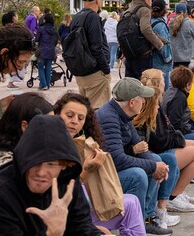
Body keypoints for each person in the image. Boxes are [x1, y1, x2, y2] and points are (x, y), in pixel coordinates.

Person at [0, 114, 102, 236]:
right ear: (23, 160)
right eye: (34, 163)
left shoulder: (67, 180)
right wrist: (52, 233)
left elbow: (82, 226)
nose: (41, 172)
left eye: (51, 164)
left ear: (64, 165)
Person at [54, 93, 146, 236]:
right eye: (69, 115)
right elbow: (64, 189)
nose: (74, 122)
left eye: (80, 118)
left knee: (133, 199)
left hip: (81, 202)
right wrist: (88, 169)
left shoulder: (78, 141)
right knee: (137, 179)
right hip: (70, 213)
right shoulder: (55, 144)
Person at [96, 78, 172, 235]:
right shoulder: (109, 118)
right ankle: (134, 226)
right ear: (132, 102)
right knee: (137, 175)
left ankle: (146, 217)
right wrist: (152, 168)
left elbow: (140, 145)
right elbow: (116, 160)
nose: (144, 102)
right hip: (100, 176)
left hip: (111, 169)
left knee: (156, 160)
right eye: (142, 99)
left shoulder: (122, 114)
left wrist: (156, 166)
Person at [136, 69, 194, 212]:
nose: (165, 83)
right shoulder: (152, 104)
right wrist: (178, 140)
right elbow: (159, 138)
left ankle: (178, 190)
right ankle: (173, 196)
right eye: (163, 80)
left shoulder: (157, 100)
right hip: (157, 150)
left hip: (161, 144)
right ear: (159, 84)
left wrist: (177, 138)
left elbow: (167, 129)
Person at [0, 92, 53, 175]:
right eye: (47, 125)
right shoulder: (5, 164)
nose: (52, 130)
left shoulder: (24, 153)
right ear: (24, 126)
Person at [70, 0, 111, 109]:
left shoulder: (77, 17)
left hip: (82, 70)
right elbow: (96, 47)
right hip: (95, 72)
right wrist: (105, 69)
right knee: (98, 110)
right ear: (98, 0)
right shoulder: (93, 17)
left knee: (86, 109)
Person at [122, 0, 165, 80]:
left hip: (129, 53)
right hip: (142, 53)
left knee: (131, 84)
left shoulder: (128, 11)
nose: (151, 3)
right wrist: (159, 44)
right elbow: (145, 28)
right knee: (144, 82)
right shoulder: (144, 10)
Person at [170, 3, 194, 68]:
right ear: (186, 11)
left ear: (175, 12)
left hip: (175, 58)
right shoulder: (190, 23)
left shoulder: (170, 24)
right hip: (189, 58)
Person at [150, 0, 173, 90]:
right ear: (164, 10)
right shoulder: (160, 25)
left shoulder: (149, 21)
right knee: (163, 90)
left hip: (151, 59)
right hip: (161, 62)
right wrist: (168, 59)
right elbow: (164, 45)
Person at [36, 12, 58, 91]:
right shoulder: (55, 30)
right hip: (51, 51)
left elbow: (37, 39)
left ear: (45, 20)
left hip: (42, 51)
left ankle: (43, 84)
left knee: (40, 67)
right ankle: (47, 85)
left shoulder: (41, 29)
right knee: (48, 68)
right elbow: (56, 42)